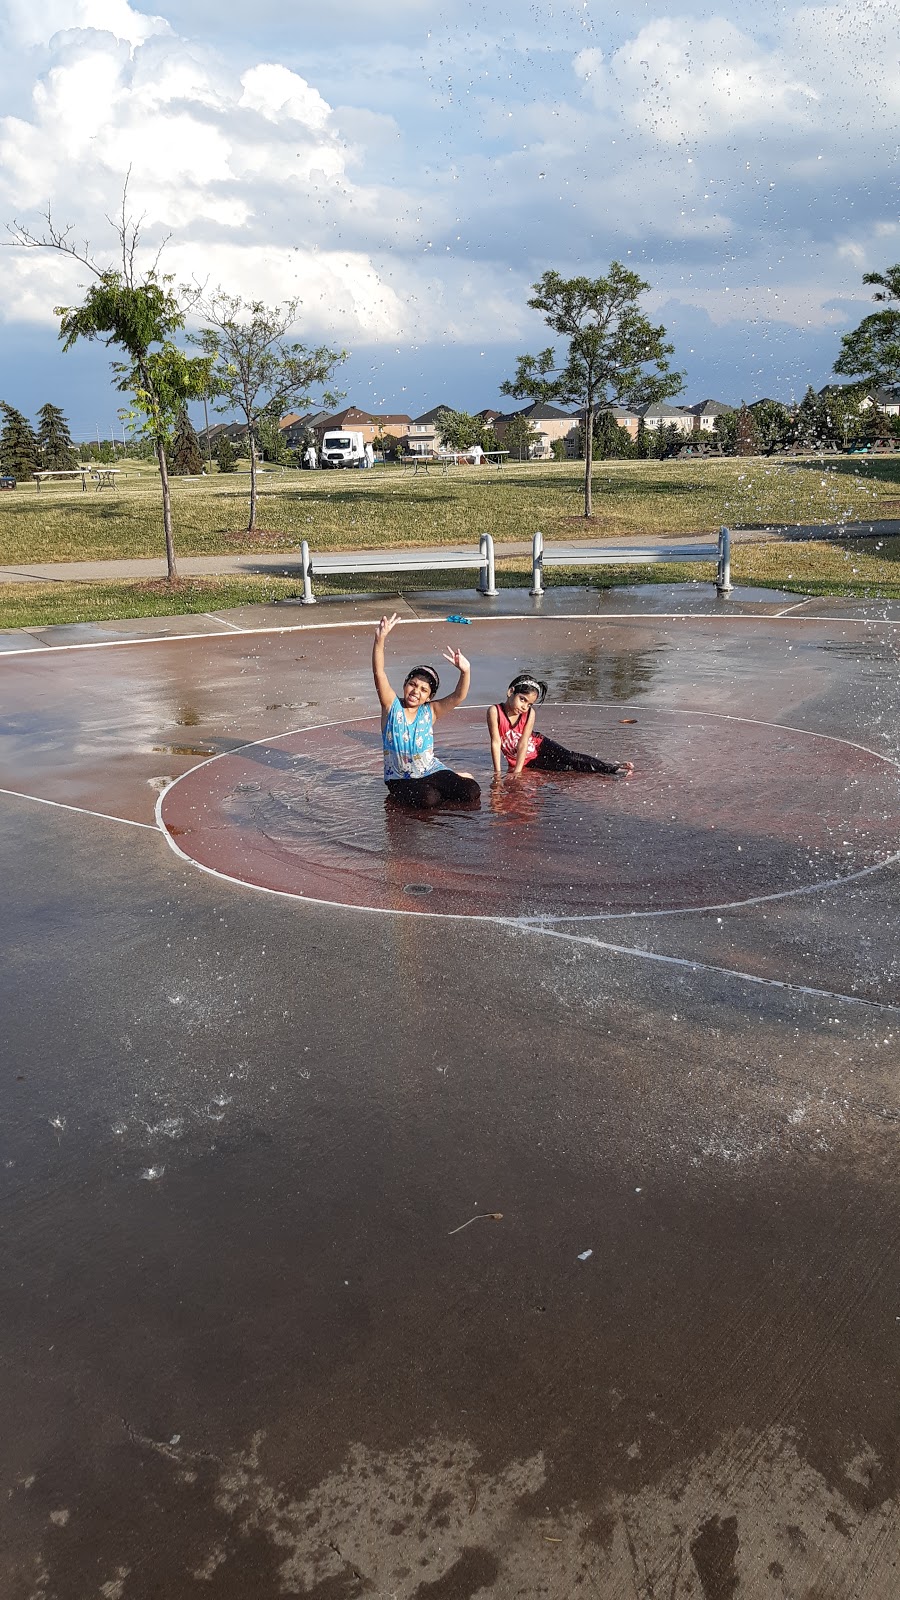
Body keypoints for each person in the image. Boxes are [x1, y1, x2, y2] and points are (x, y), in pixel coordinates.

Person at [373, 614, 481, 808]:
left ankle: (451, 777)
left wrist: (466, 671)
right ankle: (439, 785)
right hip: (400, 779)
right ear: (405, 684)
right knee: (429, 799)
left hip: (431, 770)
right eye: (412, 684)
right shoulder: (391, 706)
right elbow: (379, 672)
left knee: (472, 791)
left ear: (429, 696)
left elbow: (458, 697)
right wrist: (379, 641)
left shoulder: (430, 711)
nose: (416, 691)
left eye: (423, 690)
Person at [487, 672, 634, 780]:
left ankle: (611, 769)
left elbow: (523, 742)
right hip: (528, 760)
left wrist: (517, 772)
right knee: (566, 769)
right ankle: (605, 771)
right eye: (522, 699)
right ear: (510, 692)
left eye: (529, 703)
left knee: (570, 757)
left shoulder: (529, 714)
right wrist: (498, 774)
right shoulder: (495, 712)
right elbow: (496, 742)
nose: (524, 706)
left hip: (539, 744)